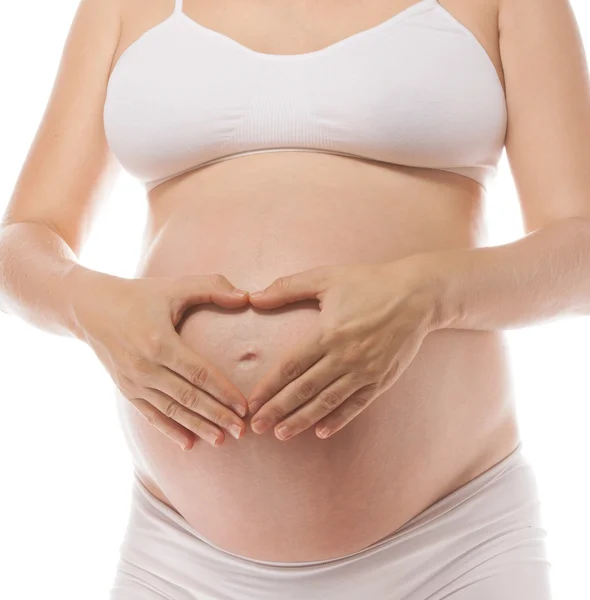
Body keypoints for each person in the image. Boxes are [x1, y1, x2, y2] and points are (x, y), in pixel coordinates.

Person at [1, 0, 589, 597]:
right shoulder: (122, 8)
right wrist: (90, 306)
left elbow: (581, 253)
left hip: (454, 550)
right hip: (180, 561)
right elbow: (22, 238)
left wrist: (429, 295)